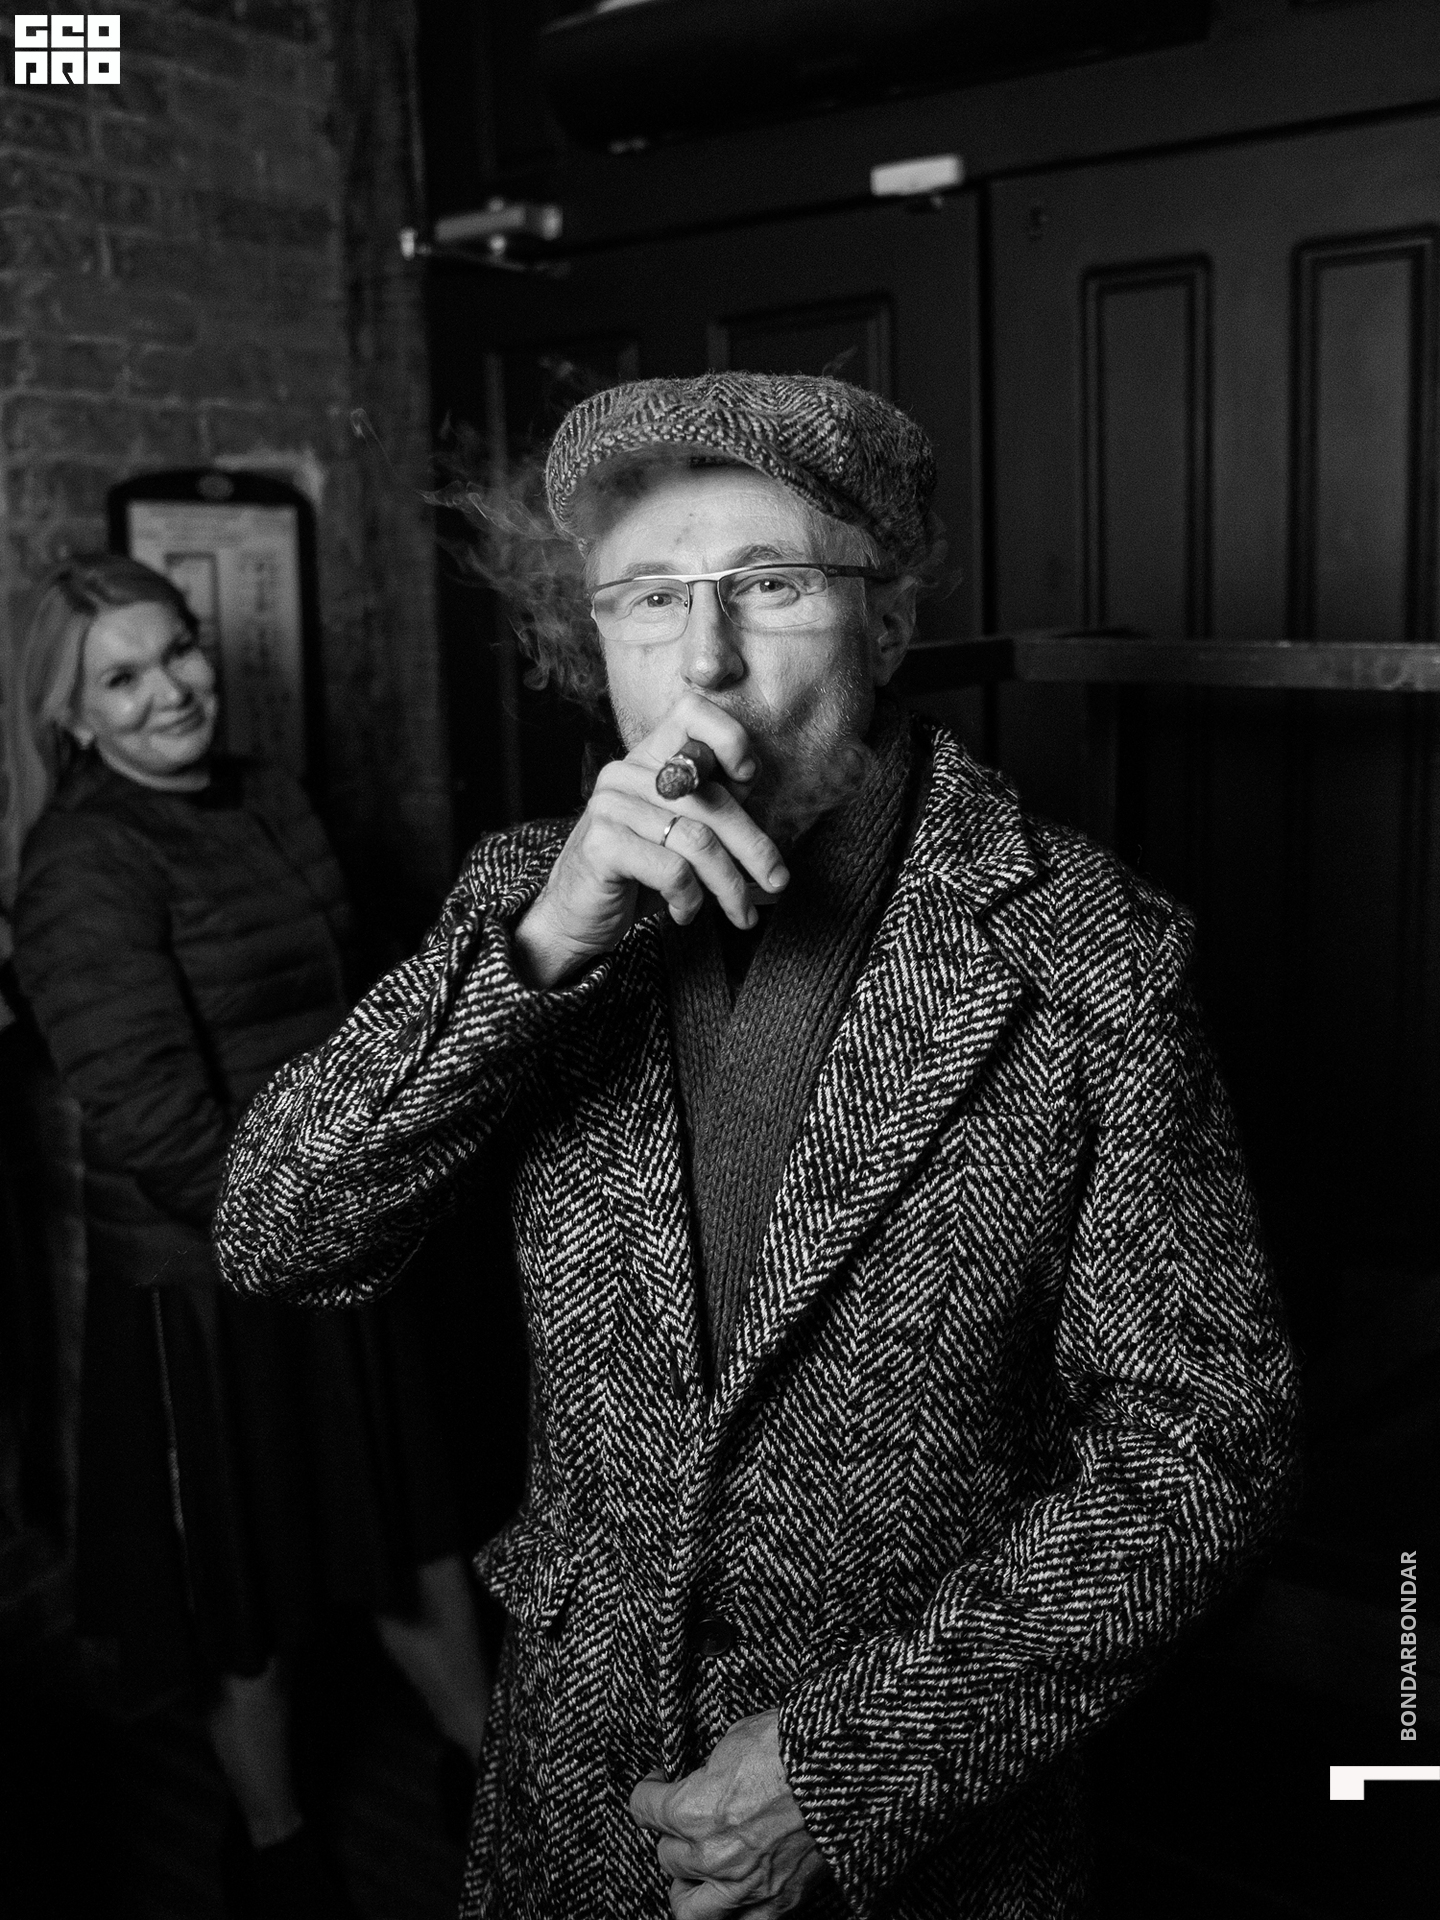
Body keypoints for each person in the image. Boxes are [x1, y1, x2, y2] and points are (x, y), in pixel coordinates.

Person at [213, 373, 1301, 1919]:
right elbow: (277, 1234)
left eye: (770, 585)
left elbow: (1206, 1448)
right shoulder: (529, 900)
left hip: (915, 1843)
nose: (704, 657)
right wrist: (540, 953)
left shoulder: (1088, 952)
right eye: (650, 598)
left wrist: (847, 1765)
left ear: (889, 619)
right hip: (577, 1796)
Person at [5, 555, 491, 1919]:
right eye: (122, 678)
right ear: (70, 716)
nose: (170, 690)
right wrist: (312, 1219)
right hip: (207, 1281)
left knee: (409, 1525)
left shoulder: (266, 790)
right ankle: (274, 1848)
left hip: (335, 1226)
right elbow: (156, 1124)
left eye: (179, 651)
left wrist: (387, 1161)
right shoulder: (81, 864)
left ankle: (494, 1767)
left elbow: (351, 1000)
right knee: (244, 1582)